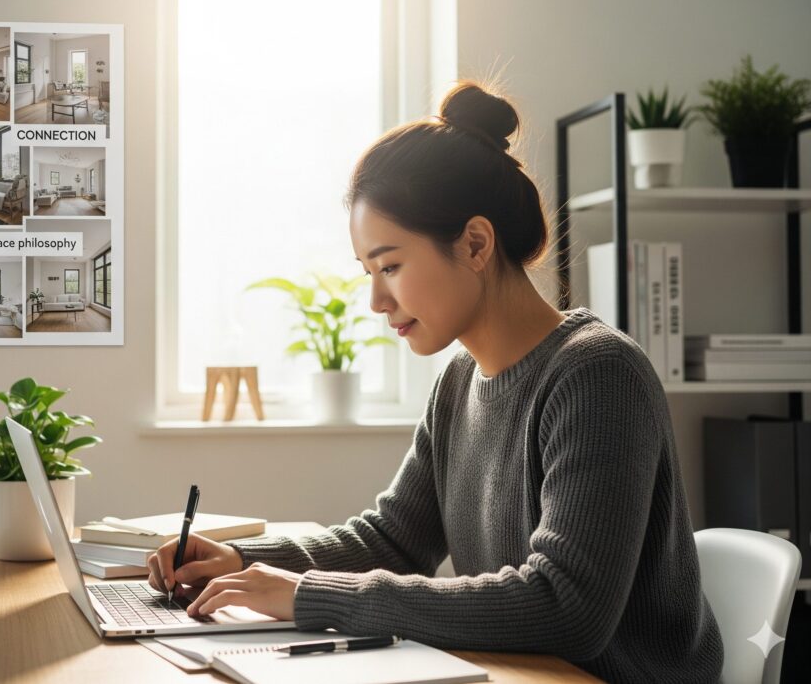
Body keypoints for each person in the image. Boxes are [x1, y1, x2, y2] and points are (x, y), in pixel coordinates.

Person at [148, 81, 724, 682]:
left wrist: (307, 594)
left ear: (475, 243)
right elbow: (396, 539)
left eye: (390, 265)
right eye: (368, 271)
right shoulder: (459, 381)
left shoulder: (598, 376)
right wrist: (241, 562)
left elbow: (566, 607)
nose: (375, 299)